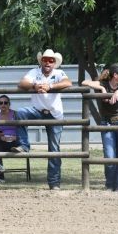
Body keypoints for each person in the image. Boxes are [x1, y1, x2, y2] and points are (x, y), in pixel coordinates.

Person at [13, 49, 72, 190]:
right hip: (37, 110)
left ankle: (54, 183)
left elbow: (68, 83)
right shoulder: (34, 72)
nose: (47, 62)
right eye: (45, 60)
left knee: (54, 149)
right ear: (41, 61)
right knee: (20, 113)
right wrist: (35, 86)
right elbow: (22, 83)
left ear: (54, 63)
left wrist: (49, 86)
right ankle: (24, 145)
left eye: (51, 60)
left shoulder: (59, 73)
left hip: (54, 114)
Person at [82, 63, 118, 192]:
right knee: (109, 155)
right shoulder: (104, 83)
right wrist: (103, 90)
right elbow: (84, 82)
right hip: (107, 123)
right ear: (115, 75)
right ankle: (110, 185)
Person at [0, 95, 20, 183]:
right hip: (3, 142)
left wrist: (15, 137)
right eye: (1, 103)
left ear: (9, 104)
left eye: (5, 103)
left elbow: (22, 130)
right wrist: (1, 136)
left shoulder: (16, 114)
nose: (3, 105)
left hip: (15, 142)